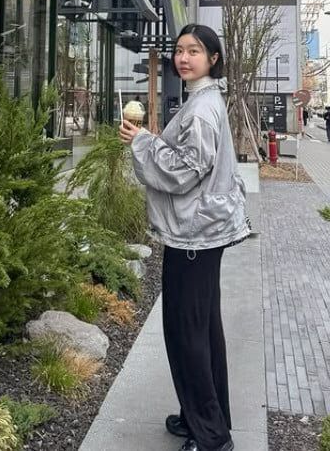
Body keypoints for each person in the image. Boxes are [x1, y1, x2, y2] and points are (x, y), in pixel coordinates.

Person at [119, 24, 247, 451]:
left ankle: (210, 436)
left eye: (194, 51)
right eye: (179, 50)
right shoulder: (204, 100)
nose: (183, 58)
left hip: (194, 234)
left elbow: (184, 171)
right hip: (202, 231)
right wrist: (150, 141)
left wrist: (142, 142)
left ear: (213, 58)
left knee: (186, 333)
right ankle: (206, 418)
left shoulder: (202, 109)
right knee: (203, 330)